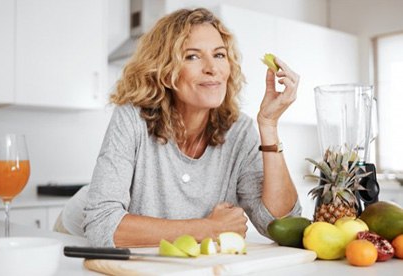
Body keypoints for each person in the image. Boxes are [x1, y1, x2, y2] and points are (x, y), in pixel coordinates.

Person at [59, 7, 301, 247]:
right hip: (76, 236)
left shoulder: (239, 131)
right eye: (192, 56)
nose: (212, 68)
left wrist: (268, 126)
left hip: (161, 251)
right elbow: (101, 225)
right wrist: (208, 228)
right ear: (165, 73)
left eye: (219, 55)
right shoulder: (131, 118)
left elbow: (281, 225)